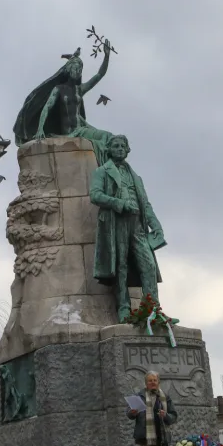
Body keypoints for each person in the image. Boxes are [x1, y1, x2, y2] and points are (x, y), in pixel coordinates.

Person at [90, 135, 167, 322]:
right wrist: (119, 203)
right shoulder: (102, 172)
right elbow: (95, 195)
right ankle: (124, 309)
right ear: (109, 150)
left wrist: (156, 226)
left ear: (127, 150)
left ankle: (153, 310)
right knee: (121, 265)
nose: (119, 149)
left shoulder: (136, 177)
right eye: (115, 146)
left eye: (122, 146)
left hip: (137, 224)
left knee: (148, 265)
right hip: (116, 222)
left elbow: (145, 204)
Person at [127, 371, 177, 446]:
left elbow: (173, 416)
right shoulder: (139, 396)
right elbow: (129, 414)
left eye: (155, 380)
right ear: (146, 383)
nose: (153, 382)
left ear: (158, 382)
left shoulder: (165, 397)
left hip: (160, 437)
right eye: (150, 381)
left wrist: (165, 415)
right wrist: (132, 413)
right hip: (144, 438)